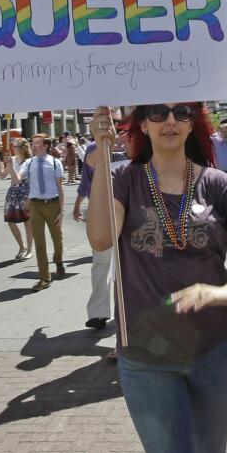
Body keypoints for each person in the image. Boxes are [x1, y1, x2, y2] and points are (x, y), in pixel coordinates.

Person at [86, 103, 227, 453]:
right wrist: (103, 152)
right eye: (157, 112)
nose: (170, 120)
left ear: (192, 123)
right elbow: (102, 238)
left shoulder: (217, 184)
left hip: (216, 350)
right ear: (142, 125)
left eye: (181, 112)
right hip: (144, 356)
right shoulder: (124, 179)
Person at [74, 128, 130, 340]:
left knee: (127, 269)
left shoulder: (139, 151)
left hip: (131, 216)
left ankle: (127, 317)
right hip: (104, 216)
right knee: (101, 265)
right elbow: (87, 180)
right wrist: (78, 204)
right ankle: (98, 313)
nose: (119, 134)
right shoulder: (95, 149)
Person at [19, 133, 66, 291]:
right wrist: (8, 166)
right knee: (39, 243)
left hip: (52, 204)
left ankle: (58, 260)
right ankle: (45, 278)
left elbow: (60, 188)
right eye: (33, 143)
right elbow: (18, 178)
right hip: (35, 206)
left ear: (46, 145)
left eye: (38, 143)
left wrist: (61, 211)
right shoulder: (28, 162)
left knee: (57, 239)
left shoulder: (55, 163)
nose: (34, 145)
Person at [0, 137, 34, 260]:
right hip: (13, 191)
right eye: (13, 146)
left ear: (23, 148)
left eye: (16, 146)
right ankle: (22, 246)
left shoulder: (29, 162)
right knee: (10, 220)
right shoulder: (13, 159)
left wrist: (10, 165)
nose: (13, 148)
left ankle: (29, 249)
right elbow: (2, 176)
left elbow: (17, 179)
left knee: (27, 222)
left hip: (25, 191)